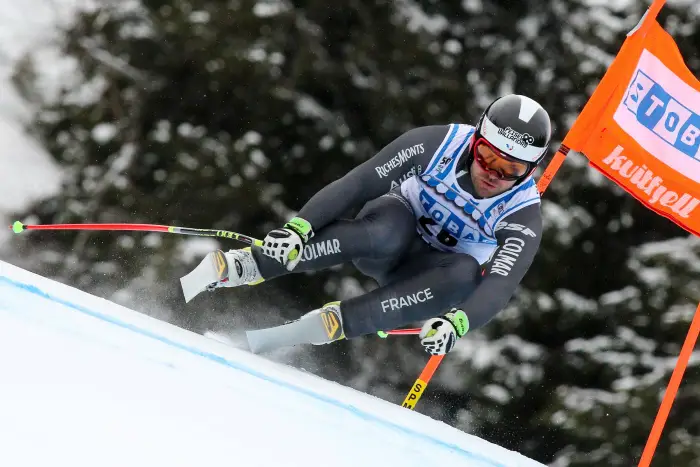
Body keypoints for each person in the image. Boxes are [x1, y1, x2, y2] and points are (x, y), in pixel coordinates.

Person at [204, 94, 550, 355]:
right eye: (487, 157)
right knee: (390, 229)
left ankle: (310, 329)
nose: (493, 173)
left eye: (511, 170)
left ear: (530, 170)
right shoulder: (437, 144)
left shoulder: (522, 214)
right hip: (385, 238)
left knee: (465, 274)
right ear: (475, 141)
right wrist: (299, 228)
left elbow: (501, 285)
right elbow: (360, 182)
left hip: (420, 279)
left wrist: (456, 323)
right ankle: (250, 264)